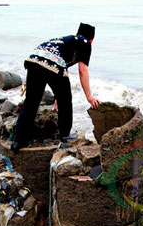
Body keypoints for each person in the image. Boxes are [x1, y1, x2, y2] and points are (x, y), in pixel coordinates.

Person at [11, 23, 101, 151]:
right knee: (66, 100)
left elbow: (56, 72)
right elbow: (83, 70)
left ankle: (18, 141)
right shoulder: (85, 42)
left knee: (31, 102)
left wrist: (57, 96)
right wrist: (89, 97)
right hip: (51, 62)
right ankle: (65, 136)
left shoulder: (65, 41)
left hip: (33, 60)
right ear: (92, 39)